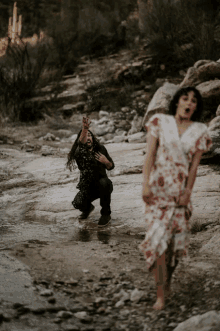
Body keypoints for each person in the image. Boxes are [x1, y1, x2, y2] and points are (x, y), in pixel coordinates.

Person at [140, 86, 212, 310]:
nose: (189, 103)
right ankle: (160, 294)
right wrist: (145, 185)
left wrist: (187, 193)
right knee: (158, 242)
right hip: (157, 193)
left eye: (194, 101)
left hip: (180, 195)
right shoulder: (159, 121)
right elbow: (150, 155)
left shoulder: (200, 130)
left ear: (196, 107)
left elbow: (193, 168)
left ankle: (168, 279)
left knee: (175, 248)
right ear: (177, 102)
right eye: (185, 98)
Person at [67, 116, 114, 227]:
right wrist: (84, 129)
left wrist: (106, 161)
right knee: (77, 202)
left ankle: (106, 214)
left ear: (93, 138)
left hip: (102, 185)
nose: (88, 138)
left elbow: (111, 166)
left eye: (90, 136)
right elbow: (81, 143)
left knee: (105, 183)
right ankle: (88, 209)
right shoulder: (80, 152)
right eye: (85, 136)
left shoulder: (101, 149)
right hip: (87, 187)